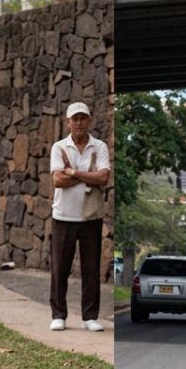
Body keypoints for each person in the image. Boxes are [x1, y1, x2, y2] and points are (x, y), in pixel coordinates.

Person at [48, 101, 110, 332]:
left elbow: (103, 178)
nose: (79, 122)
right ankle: (58, 314)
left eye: (83, 118)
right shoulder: (59, 147)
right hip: (63, 215)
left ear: (90, 121)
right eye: (75, 119)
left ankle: (89, 316)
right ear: (68, 123)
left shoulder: (99, 147)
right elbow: (57, 180)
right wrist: (88, 176)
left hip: (90, 218)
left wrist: (72, 171)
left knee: (91, 268)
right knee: (59, 268)